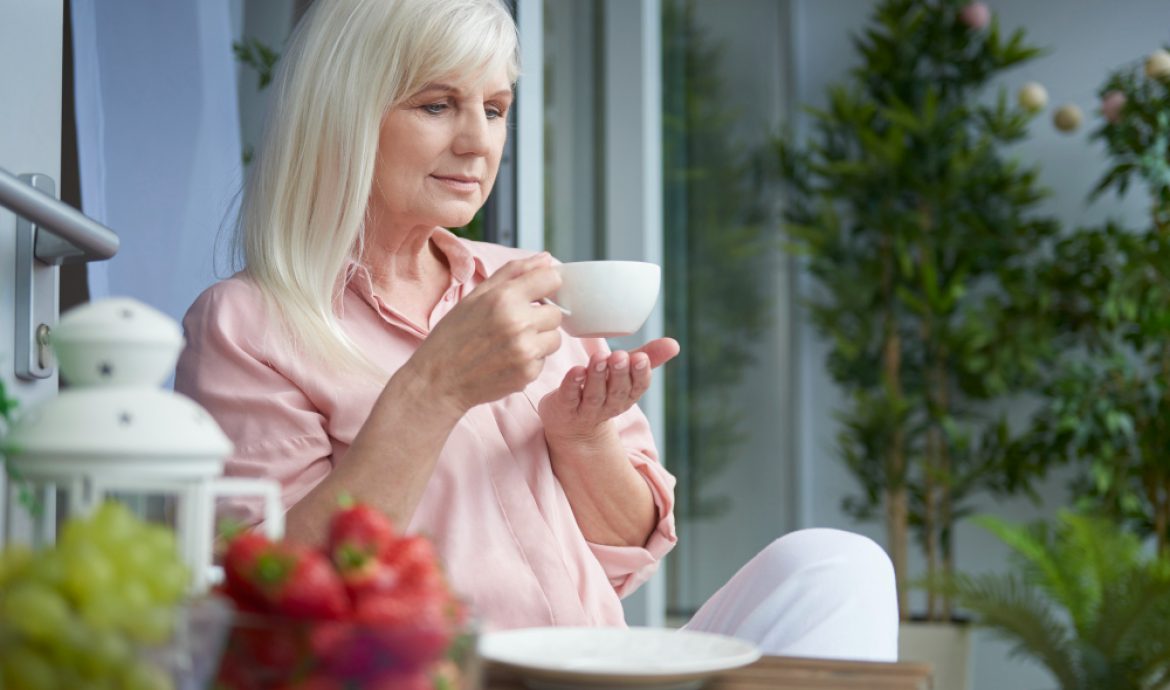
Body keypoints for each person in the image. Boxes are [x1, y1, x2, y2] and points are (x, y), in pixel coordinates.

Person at [175, 0, 897, 662]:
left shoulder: (528, 283)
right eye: (438, 105)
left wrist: (581, 441)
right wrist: (433, 390)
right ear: (344, 114)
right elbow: (272, 591)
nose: (476, 142)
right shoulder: (246, 325)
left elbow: (627, 554)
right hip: (442, 676)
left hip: (600, 667)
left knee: (838, 566)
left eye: (494, 109)